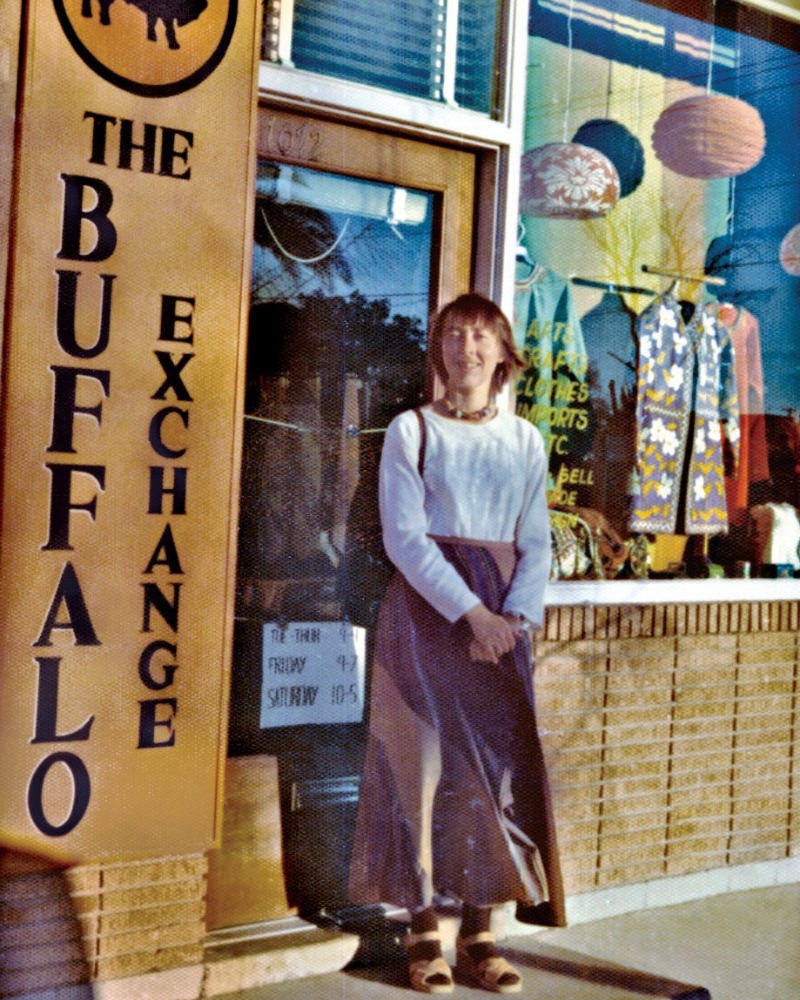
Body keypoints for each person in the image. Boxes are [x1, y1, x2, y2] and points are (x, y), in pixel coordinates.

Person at [348, 294, 565, 994]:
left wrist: (514, 621)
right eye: (454, 335)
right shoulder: (411, 432)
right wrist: (473, 615)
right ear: (439, 350)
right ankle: (420, 928)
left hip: (503, 621)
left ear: (503, 353)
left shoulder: (525, 440)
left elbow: (537, 543)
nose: (466, 348)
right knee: (421, 765)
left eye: (481, 336)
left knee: (491, 774)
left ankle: (480, 930)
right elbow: (403, 538)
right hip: (429, 612)